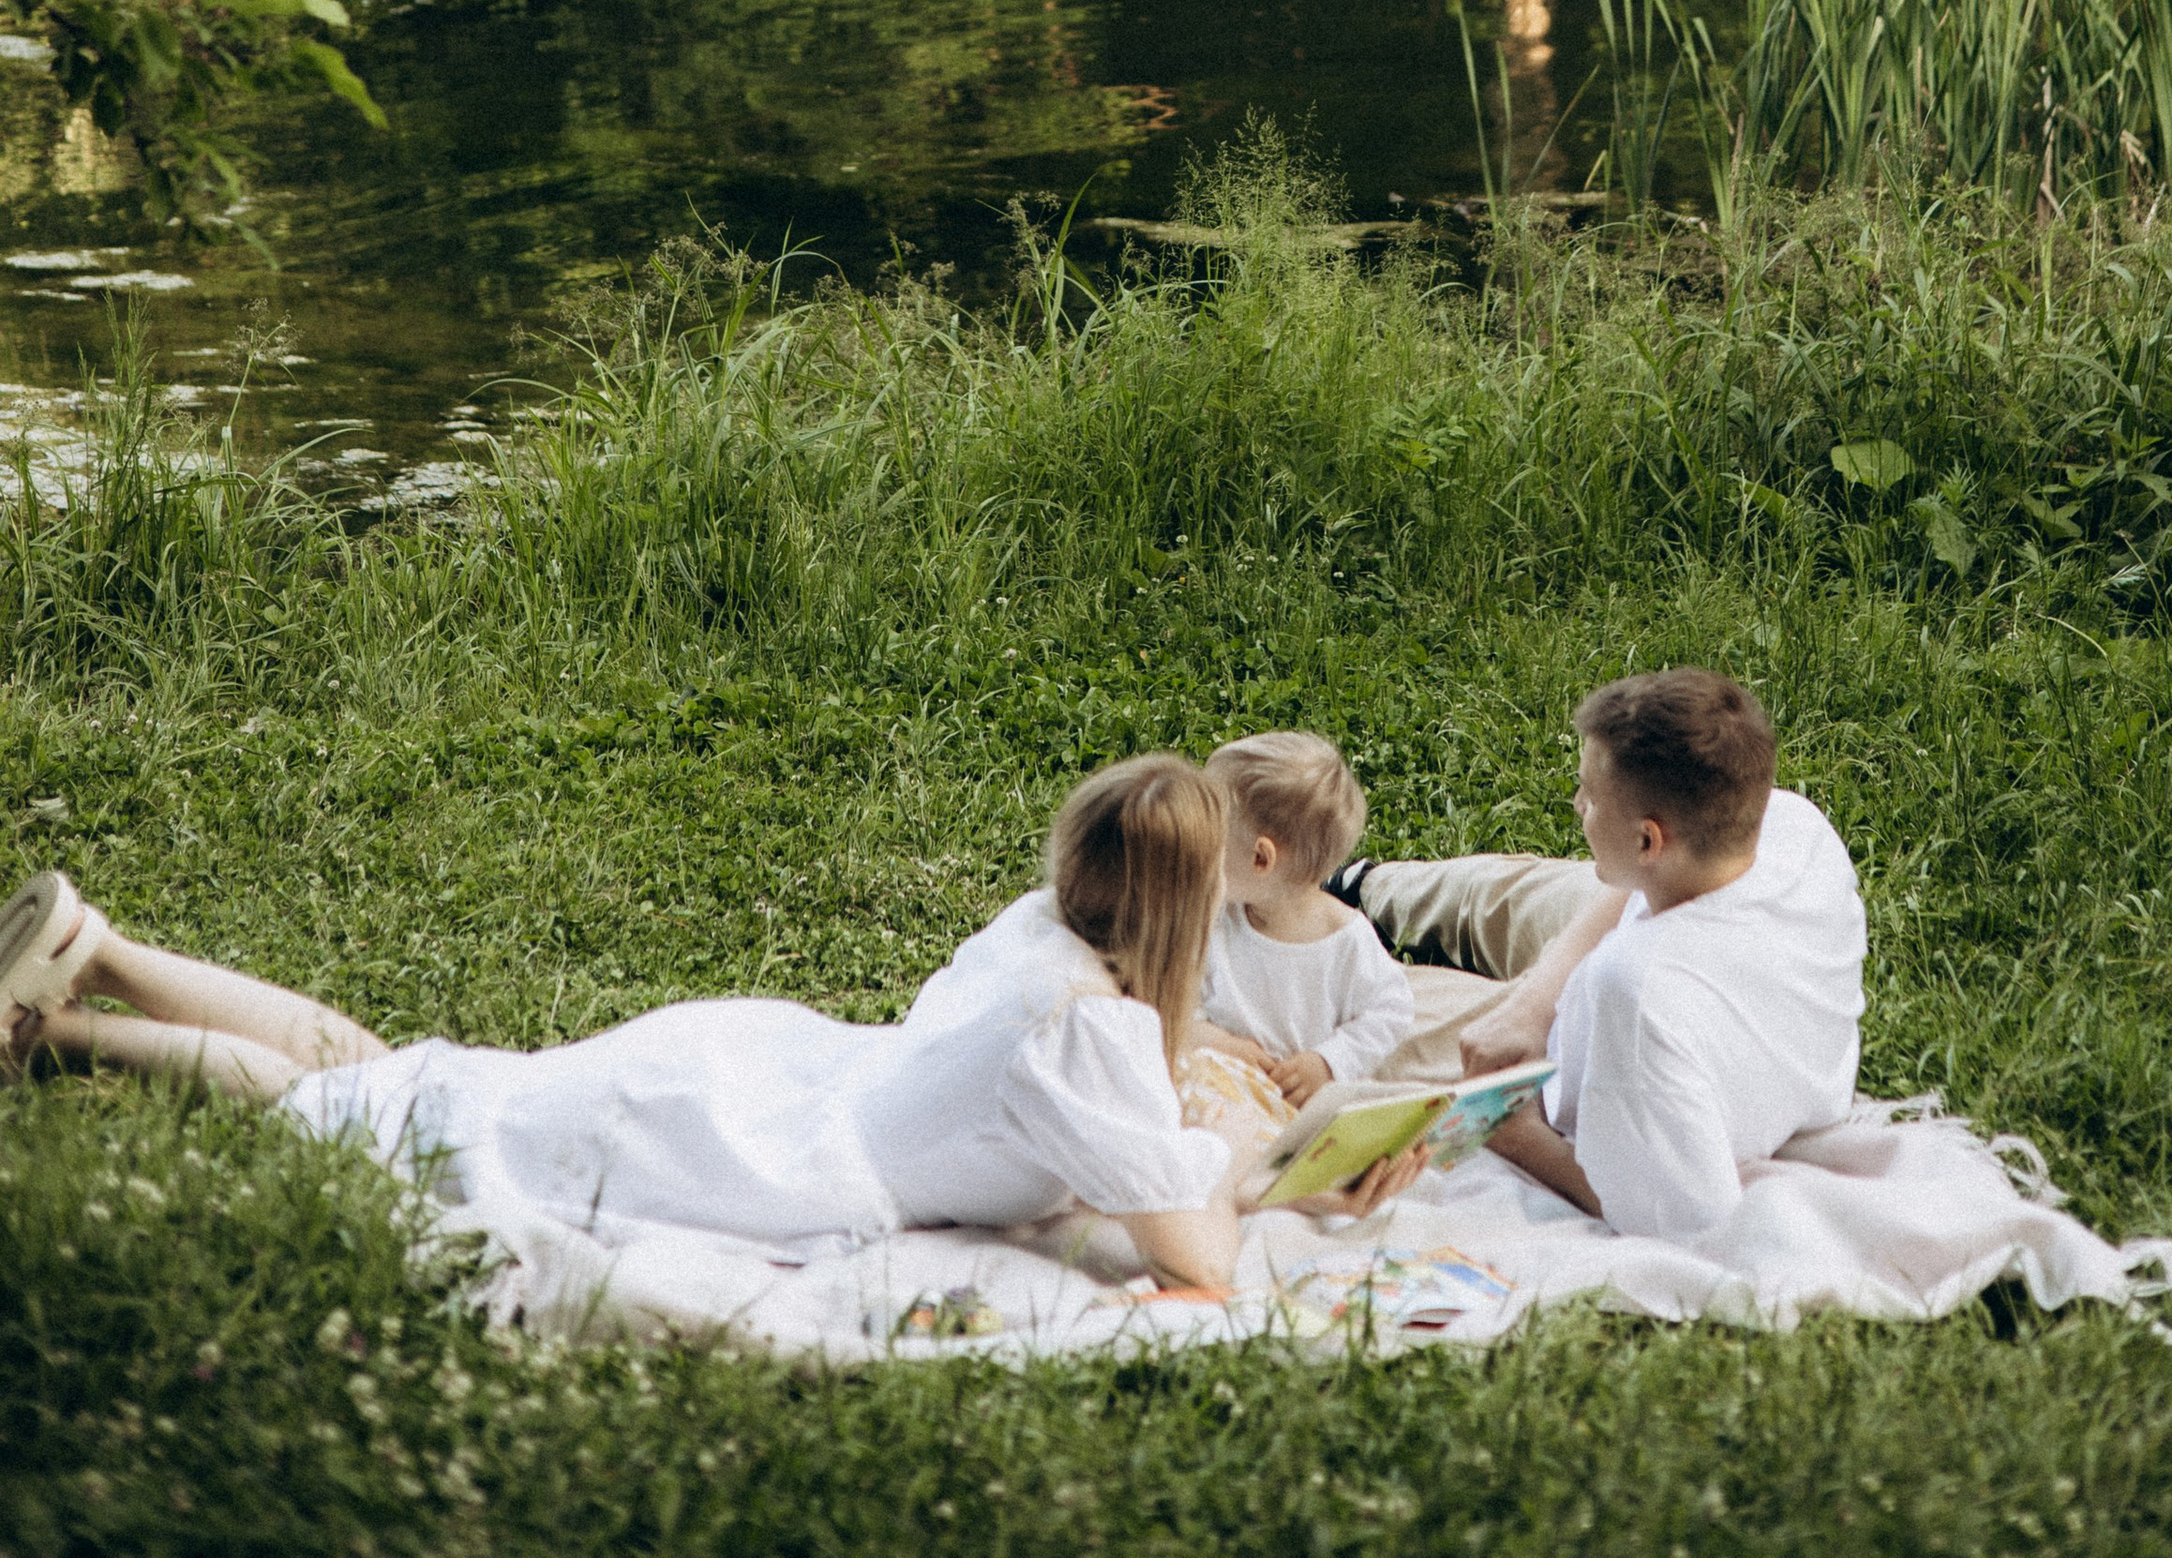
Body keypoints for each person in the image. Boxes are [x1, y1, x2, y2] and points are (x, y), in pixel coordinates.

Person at [0, 754, 1420, 1294]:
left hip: (770, 1073)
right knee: (353, 1110)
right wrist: (1255, 1165)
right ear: (1182, 916)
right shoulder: (1086, 1037)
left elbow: (1110, 1106)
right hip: (760, 1156)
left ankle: (94, 966)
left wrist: (1223, 1117)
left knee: (404, 1078)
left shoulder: (1038, 927)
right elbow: (1198, 1260)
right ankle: (75, 1026)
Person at [1342, 668, 1866, 1242]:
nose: (1576, 804)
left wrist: (1515, 1133)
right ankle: (1366, 884)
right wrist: (1533, 1004)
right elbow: (1628, 894)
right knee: (1511, 894)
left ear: (1647, 840)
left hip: (1603, 1028)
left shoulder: (1639, 994)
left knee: (1357, 999)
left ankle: (1308, 910)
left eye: (1590, 796)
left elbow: (1668, 1216)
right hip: (1655, 910)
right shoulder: (1788, 824)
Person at [1193, 730, 1415, 1108]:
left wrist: (1328, 1062)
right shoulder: (1210, 919)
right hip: (1221, 1093)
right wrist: (1215, 1040)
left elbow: (1391, 1011)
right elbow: (1172, 998)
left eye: (1210, 838)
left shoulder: (1345, 939)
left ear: (1260, 859)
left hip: (1307, 1107)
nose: (1195, 846)